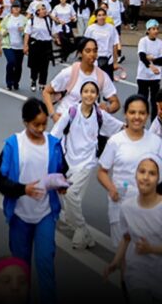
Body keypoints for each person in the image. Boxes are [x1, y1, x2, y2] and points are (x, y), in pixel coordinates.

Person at [0, 98, 67, 304]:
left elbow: (62, 170)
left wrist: (61, 184)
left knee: (45, 262)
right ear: (25, 122)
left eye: (44, 124)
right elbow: (0, 179)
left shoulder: (53, 144)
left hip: (45, 213)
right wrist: (22, 190)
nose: (41, 128)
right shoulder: (12, 144)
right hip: (19, 215)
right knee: (20, 267)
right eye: (36, 124)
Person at [50, 79, 123, 249]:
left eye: (93, 92)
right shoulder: (71, 112)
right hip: (68, 161)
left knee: (70, 194)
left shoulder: (100, 115)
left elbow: (120, 128)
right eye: (86, 91)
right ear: (81, 94)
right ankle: (87, 236)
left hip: (87, 162)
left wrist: (142, 135)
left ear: (97, 96)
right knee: (70, 200)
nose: (89, 94)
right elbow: (55, 134)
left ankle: (80, 229)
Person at [98, 94, 162, 248]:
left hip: (148, 208)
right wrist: (112, 189)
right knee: (122, 254)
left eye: (141, 113)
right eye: (132, 112)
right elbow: (102, 171)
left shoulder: (156, 142)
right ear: (125, 114)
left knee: (141, 257)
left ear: (147, 115)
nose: (137, 117)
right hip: (120, 204)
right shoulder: (116, 141)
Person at [104, 155, 162, 302]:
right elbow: (127, 237)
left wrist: (152, 249)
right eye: (142, 171)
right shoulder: (126, 207)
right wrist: (115, 262)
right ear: (135, 175)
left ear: (159, 179)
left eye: (152, 173)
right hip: (137, 273)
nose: (146, 177)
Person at [42, 37, 121, 121]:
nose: (92, 54)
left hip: (88, 124)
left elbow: (115, 102)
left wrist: (108, 109)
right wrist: (53, 115)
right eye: (88, 51)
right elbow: (46, 92)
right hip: (66, 121)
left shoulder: (101, 76)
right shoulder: (69, 72)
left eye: (95, 51)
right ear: (80, 53)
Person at [23, 4, 54, 93]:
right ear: (37, 11)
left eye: (45, 9)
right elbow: (27, 34)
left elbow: (53, 32)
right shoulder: (32, 21)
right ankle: (33, 80)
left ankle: (42, 83)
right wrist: (25, 45)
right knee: (34, 65)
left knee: (45, 65)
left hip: (46, 44)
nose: (44, 11)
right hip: (35, 44)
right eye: (42, 9)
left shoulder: (49, 20)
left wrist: (58, 39)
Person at [137, 19, 162, 114]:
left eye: (157, 29)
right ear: (148, 30)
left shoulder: (160, 43)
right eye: (153, 29)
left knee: (155, 102)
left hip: (156, 76)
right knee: (142, 100)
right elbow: (142, 57)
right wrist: (151, 66)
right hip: (143, 75)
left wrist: (152, 59)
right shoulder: (143, 41)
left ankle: (154, 125)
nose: (156, 31)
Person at [0, 2, 26, 92]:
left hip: (20, 45)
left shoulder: (24, 19)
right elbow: (1, 28)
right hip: (8, 45)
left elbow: (28, 31)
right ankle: (9, 82)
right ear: (11, 9)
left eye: (17, 7)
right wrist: (4, 32)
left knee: (18, 65)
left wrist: (23, 30)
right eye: (14, 7)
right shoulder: (7, 18)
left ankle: (16, 82)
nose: (16, 9)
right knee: (11, 62)